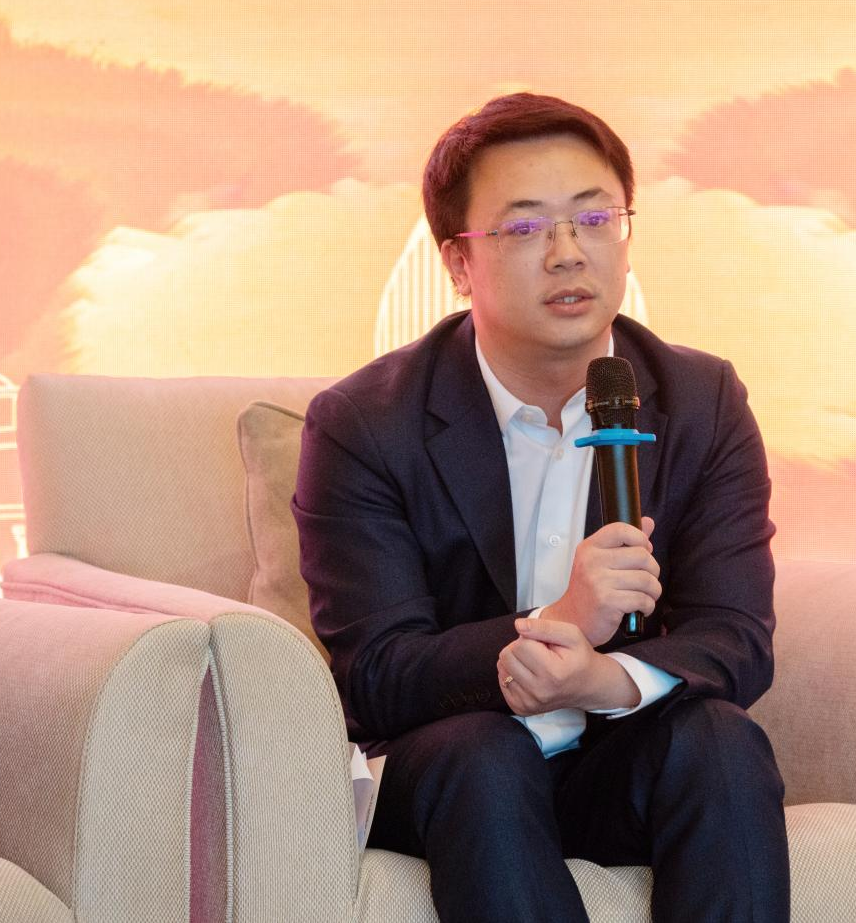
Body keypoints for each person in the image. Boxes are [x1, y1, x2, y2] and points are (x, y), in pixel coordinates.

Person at [292, 92, 790, 923]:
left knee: (719, 740)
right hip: (454, 766)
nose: (568, 254)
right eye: (525, 228)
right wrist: (560, 620)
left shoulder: (699, 400)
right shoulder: (365, 423)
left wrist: (604, 678)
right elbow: (376, 676)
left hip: (614, 760)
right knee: (482, 756)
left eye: (594, 220)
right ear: (458, 263)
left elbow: (735, 637)